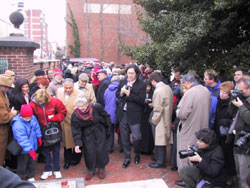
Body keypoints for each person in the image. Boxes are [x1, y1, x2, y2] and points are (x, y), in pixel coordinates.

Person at [175, 74, 210, 187]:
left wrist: (177, 111)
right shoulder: (206, 90)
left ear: (185, 82)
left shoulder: (190, 93)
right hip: (203, 127)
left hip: (189, 128)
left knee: (186, 152)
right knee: (197, 152)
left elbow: (182, 114)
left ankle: (186, 178)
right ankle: (196, 177)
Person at [30, 89, 67, 180]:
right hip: (42, 130)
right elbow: (32, 117)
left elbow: (63, 112)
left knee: (56, 150)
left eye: (42, 101)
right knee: (45, 151)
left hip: (54, 129)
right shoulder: (33, 104)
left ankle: (57, 169)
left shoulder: (55, 101)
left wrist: (55, 118)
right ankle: (47, 169)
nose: (40, 103)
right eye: (39, 101)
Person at [71, 96, 110, 180]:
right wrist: (77, 144)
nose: (81, 109)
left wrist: (108, 129)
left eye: (83, 106)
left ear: (87, 104)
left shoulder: (96, 107)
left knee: (100, 150)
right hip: (87, 132)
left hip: (98, 130)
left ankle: (101, 168)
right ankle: (90, 170)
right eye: (79, 106)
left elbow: (106, 116)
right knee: (89, 151)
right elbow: (75, 129)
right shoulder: (75, 115)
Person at [116, 64, 146, 168]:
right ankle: (127, 157)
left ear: (137, 74)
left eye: (132, 73)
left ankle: (137, 154)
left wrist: (129, 94)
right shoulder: (123, 82)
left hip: (135, 115)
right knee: (124, 137)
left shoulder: (141, 84)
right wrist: (121, 92)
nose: (129, 75)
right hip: (123, 114)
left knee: (136, 137)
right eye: (128, 73)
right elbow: (117, 94)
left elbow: (142, 101)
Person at [11, 104, 42, 181]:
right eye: (26, 118)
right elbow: (22, 139)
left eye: (29, 117)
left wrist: (39, 136)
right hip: (23, 149)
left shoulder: (33, 118)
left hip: (32, 145)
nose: (28, 119)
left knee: (32, 163)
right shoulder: (17, 124)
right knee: (22, 164)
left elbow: (36, 127)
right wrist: (29, 149)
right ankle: (19, 178)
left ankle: (30, 176)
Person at [148, 72, 173, 168]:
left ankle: (160, 161)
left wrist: (153, 120)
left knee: (159, 141)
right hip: (167, 117)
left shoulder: (158, 91)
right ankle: (159, 158)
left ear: (154, 81)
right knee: (162, 140)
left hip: (160, 119)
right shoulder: (167, 87)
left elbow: (158, 109)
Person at [213, 81, 236, 186]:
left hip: (228, 135)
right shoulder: (218, 101)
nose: (222, 94)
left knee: (228, 156)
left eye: (224, 93)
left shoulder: (233, 104)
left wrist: (226, 122)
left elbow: (235, 120)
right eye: (221, 91)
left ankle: (229, 177)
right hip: (218, 132)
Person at [57, 78, 81, 169]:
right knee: (66, 143)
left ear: (73, 87)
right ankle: (67, 160)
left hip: (75, 121)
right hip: (64, 122)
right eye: (66, 88)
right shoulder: (59, 92)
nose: (67, 90)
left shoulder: (79, 94)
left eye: (69, 88)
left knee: (76, 141)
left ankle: (76, 158)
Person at [230, 76, 250, 188]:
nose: (240, 92)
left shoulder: (245, 103)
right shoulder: (242, 99)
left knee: (244, 177)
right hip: (238, 140)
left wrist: (241, 107)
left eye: (242, 90)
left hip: (246, 146)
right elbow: (231, 113)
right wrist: (232, 100)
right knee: (238, 173)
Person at [0, 74, 17, 166]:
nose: (9, 89)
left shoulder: (3, 94)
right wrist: (12, 114)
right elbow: (2, 117)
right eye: (8, 87)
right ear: (3, 87)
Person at [104, 75, 120, 153]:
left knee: (110, 131)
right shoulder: (119, 90)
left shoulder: (107, 89)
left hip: (107, 112)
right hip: (116, 112)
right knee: (120, 130)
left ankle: (110, 147)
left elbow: (104, 99)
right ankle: (121, 146)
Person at [140, 79, 154, 155]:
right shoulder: (141, 93)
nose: (147, 88)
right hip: (143, 115)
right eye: (146, 87)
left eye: (149, 86)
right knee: (143, 132)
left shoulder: (153, 93)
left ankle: (149, 148)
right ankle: (142, 148)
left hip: (150, 114)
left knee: (149, 133)